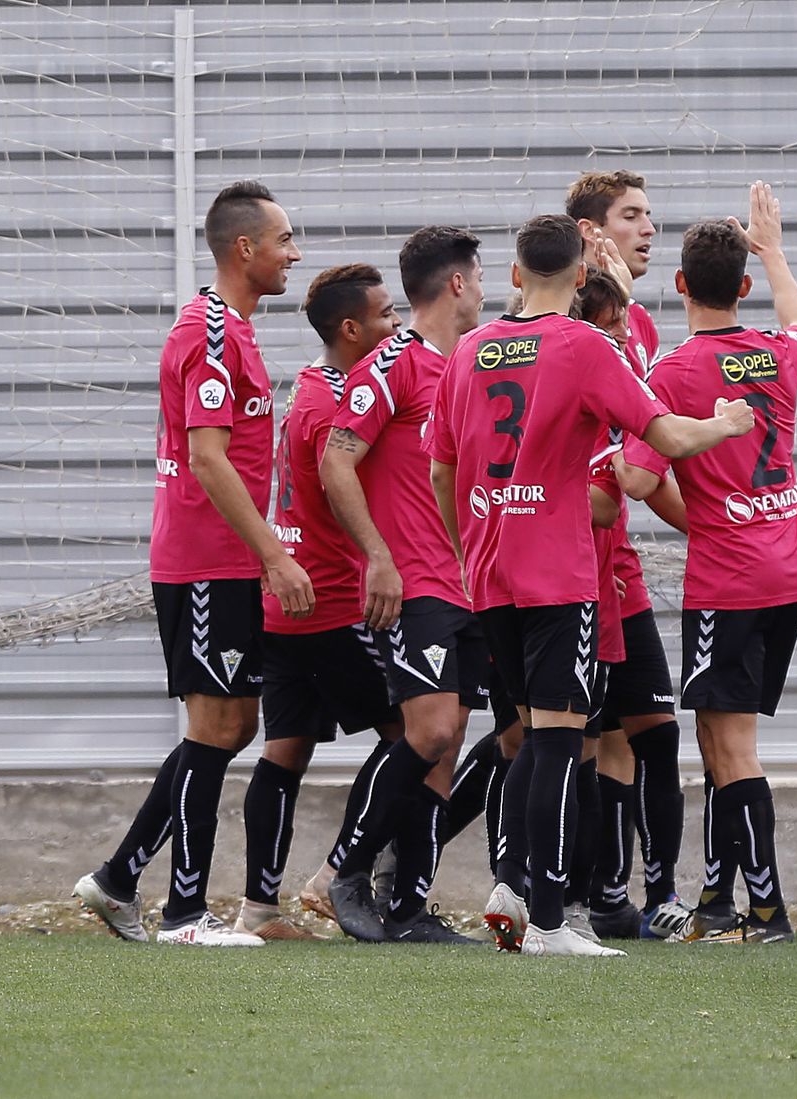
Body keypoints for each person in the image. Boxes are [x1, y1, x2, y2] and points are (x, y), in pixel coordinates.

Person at [425, 213, 754, 957]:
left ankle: (513, 885)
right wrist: (727, 422)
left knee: (531, 739)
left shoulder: (468, 351)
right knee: (557, 743)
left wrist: (464, 547)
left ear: (514, 275)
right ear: (581, 278)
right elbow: (664, 439)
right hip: (557, 575)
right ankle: (547, 920)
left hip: (489, 572)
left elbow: (442, 470)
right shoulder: (587, 346)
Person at [72, 180, 307, 946]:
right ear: (246, 248)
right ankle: (183, 913)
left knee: (233, 723)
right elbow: (207, 458)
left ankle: (116, 877)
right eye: (284, 240)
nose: (293, 255)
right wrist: (273, 552)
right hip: (205, 562)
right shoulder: (208, 333)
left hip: (227, 561)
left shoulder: (234, 329)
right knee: (214, 724)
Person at [619, 182, 797, 946]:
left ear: (677, 286)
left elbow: (637, 480)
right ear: (742, 285)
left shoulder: (670, 373)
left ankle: (766, 912)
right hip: (786, 572)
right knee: (715, 739)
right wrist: (774, 251)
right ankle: (714, 899)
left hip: (728, 579)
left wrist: (696, 511)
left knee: (731, 747)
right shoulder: (776, 353)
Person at [314, 226, 492, 945]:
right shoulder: (395, 362)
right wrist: (378, 558)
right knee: (432, 730)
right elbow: (336, 461)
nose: (485, 290)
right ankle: (345, 870)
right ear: (456, 283)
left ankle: (410, 905)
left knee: (449, 746)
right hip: (411, 583)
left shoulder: (470, 365)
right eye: (479, 277)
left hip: (467, 586)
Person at [230, 263, 405, 940]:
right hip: (330, 601)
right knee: (414, 736)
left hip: (285, 603)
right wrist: (384, 558)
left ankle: (258, 909)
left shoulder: (313, 384)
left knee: (285, 750)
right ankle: (336, 874)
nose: (397, 327)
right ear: (351, 328)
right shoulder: (336, 406)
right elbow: (342, 484)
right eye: (387, 316)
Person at [567, 169, 693, 941]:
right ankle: (559, 891)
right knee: (561, 736)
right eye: (631, 216)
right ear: (590, 233)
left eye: (651, 215)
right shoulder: (567, 325)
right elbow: (612, 470)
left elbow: (638, 459)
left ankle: (640, 893)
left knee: (648, 726)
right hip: (568, 567)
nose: (648, 228)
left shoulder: (637, 327)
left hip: (619, 566)